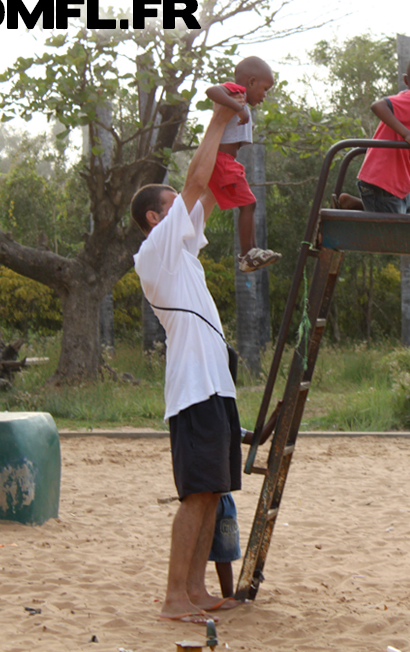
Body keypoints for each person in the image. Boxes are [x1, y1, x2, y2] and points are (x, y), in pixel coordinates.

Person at [131, 98, 245, 623]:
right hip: (193, 389)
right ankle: (174, 597)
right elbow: (197, 184)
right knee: (196, 494)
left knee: (214, 489)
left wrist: (235, 131)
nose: (185, 207)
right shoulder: (154, 253)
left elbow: (208, 190)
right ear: (156, 218)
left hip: (215, 386)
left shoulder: (186, 256)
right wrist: (219, 117)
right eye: (173, 204)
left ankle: (196, 589)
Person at [333, 52, 410, 213]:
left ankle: (356, 206)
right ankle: (361, 209)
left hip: (397, 185)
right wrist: (408, 135)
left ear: (406, 80)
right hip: (385, 183)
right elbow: (378, 106)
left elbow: (404, 133)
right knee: (395, 234)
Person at [205, 56, 282, 273]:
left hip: (229, 161)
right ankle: (247, 254)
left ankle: (252, 251)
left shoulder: (241, 99)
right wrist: (237, 108)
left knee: (248, 204)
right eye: (264, 89)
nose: (264, 96)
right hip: (222, 160)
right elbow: (212, 91)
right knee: (248, 205)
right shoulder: (236, 92)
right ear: (251, 82)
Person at [210, 401, 282, 599]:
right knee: (207, 550)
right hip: (211, 496)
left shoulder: (230, 427)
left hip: (222, 496)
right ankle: (196, 592)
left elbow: (257, 439)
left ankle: (227, 595)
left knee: (224, 551)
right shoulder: (208, 426)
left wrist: (275, 416)